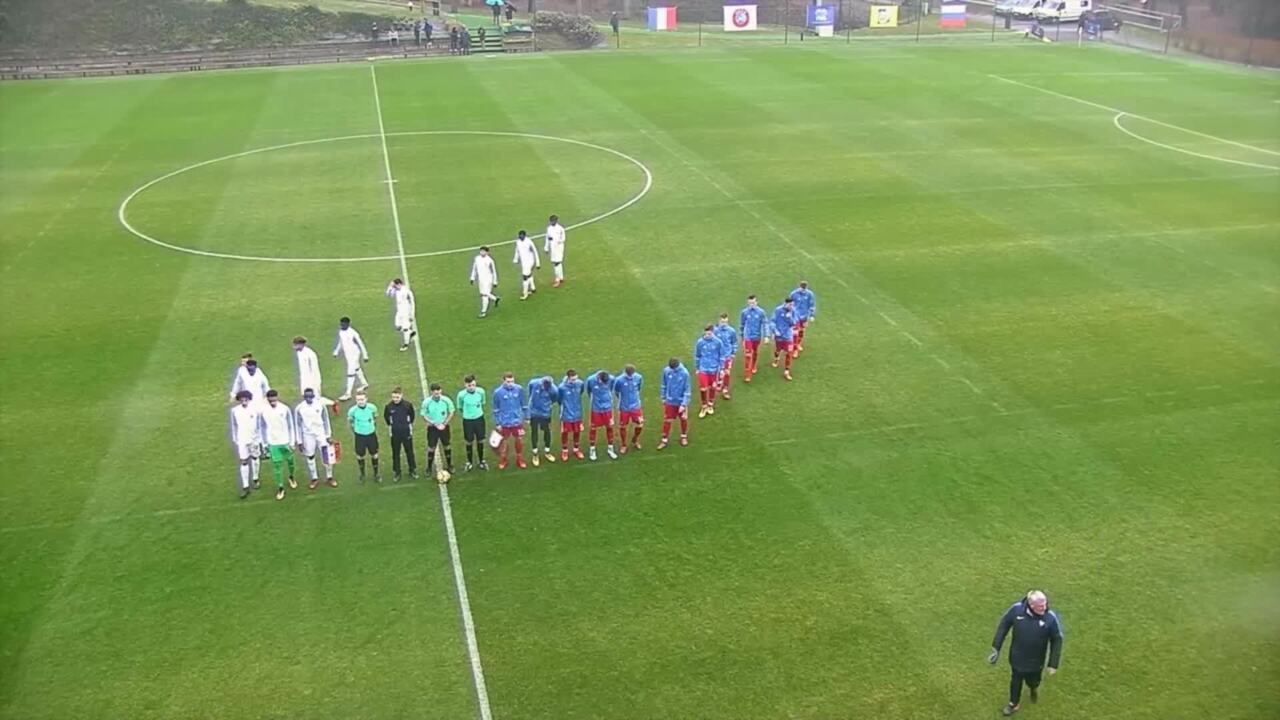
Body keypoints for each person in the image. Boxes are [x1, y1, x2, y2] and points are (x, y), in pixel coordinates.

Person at [989, 590, 1064, 716]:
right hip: (1017, 657)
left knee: (1033, 681)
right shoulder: (1016, 610)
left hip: (1036, 661)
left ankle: (1033, 688)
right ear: (1031, 605)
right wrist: (996, 647)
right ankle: (1013, 704)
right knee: (1015, 680)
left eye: (1045, 604)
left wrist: (1053, 663)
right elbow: (1004, 625)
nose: (1044, 608)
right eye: (1041, 606)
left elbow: (1057, 639)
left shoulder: (1050, 618)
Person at [259, 389, 297, 501]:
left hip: (285, 441)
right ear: (267, 400)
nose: (272, 402)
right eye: (270, 400)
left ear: (277, 397)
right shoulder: (263, 411)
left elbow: (291, 425)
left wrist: (292, 441)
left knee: (290, 461)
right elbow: (262, 427)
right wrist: (264, 443)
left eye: (274, 399)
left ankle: (291, 477)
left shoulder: (285, 409)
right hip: (273, 443)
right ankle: (280, 487)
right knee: (277, 465)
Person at [295, 388, 336, 489]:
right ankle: (314, 478)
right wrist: (299, 441)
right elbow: (297, 425)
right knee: (310, 456)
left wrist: (328, 435)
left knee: (326, 456)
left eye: (310, 396)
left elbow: (326, 420)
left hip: (321, 434)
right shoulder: (299, 408)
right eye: (306, 397)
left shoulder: (320, 405)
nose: (309, 398)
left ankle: (329, 477)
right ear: (304, 397)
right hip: (307, 435)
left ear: (313, 396)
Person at [229, 390, 262, 499]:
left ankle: (255, 478)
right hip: (242, 440)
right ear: (239, 400)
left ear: (249, 399)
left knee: (255, 457)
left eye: (246, 399)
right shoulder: (235, 411)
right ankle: (245, 486)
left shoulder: (255, 410)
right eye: (242, 399)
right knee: (243, 461)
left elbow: (259, 425)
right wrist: (235, 439)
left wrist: (259, 439)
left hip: (254, 439)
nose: (244, 401)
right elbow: (234, 426)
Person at [492, 373, 527, 470]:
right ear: (503, 381)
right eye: (508, 382)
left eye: (512, 381)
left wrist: (526, 417)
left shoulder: (519, 389)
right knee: (504, 441)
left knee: (519, 439)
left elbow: (523, 404)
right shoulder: (498, 392)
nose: (510, 384)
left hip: (517, 421)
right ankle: (503, 459)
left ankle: (520, 458)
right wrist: (498, 423)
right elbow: (495, 409)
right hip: (504, 422)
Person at [421, 383, 455, 479]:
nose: (437, 392)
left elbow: (452, 411)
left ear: (441, 390)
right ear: (432, 392)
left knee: (447, 446)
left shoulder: (446, 400)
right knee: (431, 447)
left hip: (444, 427)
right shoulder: (426, 402)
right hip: (433, 428)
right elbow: (423, 415)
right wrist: (433, 423)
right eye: (435, 391)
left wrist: (444, 423)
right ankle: (429, 468)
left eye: (438, 390)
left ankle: (450, 465)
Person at [384, 386, 417, 481]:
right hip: (395, 434)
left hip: (406, 432)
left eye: (397, 397)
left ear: (401, 396)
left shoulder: (407, 405)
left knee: (409, 452)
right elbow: (387, 419)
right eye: (393, 397)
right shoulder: (389, 407)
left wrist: (408, 426)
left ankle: (412, 470)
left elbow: (412, 416)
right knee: (396, 453)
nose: (395, 399)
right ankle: (397, 472)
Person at [333, 316, 370, 401]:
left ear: (348, 324)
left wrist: (365, 355)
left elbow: (360, 343)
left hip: (354, 353)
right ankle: (364, 383)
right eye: (341, 324)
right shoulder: (341, 332)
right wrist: (336, 351)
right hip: (347, 354)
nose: (342, 326)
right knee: (356, 368)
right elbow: (341, 342)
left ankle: (348, 393)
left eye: (344, 324)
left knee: (350, 372)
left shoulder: (353, 333)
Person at [694, 324, 727, 418]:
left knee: (713, 387)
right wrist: (697, 368)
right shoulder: (700, 342)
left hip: (714, 369)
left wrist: (721, 368)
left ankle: (710, 404)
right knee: (703, 388)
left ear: (713, 332)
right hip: (703, 368)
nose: (708, 335)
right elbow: (697, 356)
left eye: (710, 333)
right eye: (706, 333)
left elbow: (721, 356)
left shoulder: (718, 342)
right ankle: (704, 406)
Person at [657, 357, 691, 450]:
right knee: (667, 420)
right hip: (670, 401)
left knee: (683, 419)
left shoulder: (684, 373)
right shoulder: (666, 371)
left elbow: (687, 390)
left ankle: (683, 436)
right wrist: (663, 397)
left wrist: (683, 404)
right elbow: (663, 385)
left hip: (680, 402)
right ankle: (664, 440)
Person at [456, 375, 488, 471]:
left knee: (480, 440)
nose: (471, 387)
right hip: (468, 421)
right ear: (465, 385)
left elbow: (483, 402)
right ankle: (469, 462)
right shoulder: (461, 395)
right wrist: (468, 414)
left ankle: (481, 461)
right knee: (469, 441)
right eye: (469, 385)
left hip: (479, 419)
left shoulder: (481, 391)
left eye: (473, 385)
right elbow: (460, 407)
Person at [347, 391, 381, 483]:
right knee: (360, 456)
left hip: (371, 435)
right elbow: (351, 422)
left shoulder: (372, 408)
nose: (360, 401)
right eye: (358, 400)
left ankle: (376, 474)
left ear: (366, 399)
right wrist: (356, 431)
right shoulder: (352, 411)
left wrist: (371, 427)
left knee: (374, 454)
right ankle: (362, 474)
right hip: (359, 436)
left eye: (362, 399)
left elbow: (375, 418)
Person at [526, 375, 559, 467]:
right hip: (534, 413)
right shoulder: (533, 383)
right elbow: (530, 392)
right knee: (534, 432)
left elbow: (554, 399)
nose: (544, 388)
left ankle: (547, 451)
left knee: (547, 431)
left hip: (545, 414)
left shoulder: (554, 390)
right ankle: (535, 454)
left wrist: (546, 406)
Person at [586, 370, 618, 461]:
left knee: (609, 427)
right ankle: (592, 450)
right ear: (598, 378)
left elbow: (611, 389)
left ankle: (610, 449)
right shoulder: (591, 380)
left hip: (607, 408)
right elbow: (589, 391)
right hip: (596, 408)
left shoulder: (611, 379)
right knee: (593, 428)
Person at [613, 364, 644, 454]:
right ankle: (623, 445)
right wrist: (622, 400)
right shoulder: (619, 380)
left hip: (635, 406)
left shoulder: (638, 377)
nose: (630, 376)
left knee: (640, 424)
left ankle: (635, 439)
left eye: (632, 375)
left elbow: (639, 387)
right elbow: (616, 391)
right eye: (628, 375)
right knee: (623, 426)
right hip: (624, 407)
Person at [557, 369, 586, 461]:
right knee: (565, 432)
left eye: (575, 379)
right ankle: (564, 450)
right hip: (566, 414)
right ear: (568, 378)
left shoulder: (580, 384)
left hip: (577, 413)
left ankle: (576, 449)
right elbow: (559, 399)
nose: (574, 381)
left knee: (577, 431)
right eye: (572, 380)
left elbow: (581, 392)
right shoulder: (562, 387)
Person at [739, 294, 768, 383]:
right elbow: (742, 324)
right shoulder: (744, 312)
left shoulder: (761, 312)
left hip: (757, 336)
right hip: (748, 336)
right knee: (748, 355)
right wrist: (742, 336)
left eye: (753, 302)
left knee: (755, 352)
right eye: (750, 303)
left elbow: (765, 324)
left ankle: (754, 365)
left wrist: (767, 336)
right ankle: (747, 374)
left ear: (756, 302)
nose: (752, 304)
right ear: (748, 303)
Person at [385, 278, 417, 352]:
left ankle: (406, 344)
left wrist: (412, 313)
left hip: (406, 312)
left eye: (396, 286)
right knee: (397, 326)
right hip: (399, 312)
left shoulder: (406, 291)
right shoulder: (396, 290)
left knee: (405, 328)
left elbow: (412, 302)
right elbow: (388, 294)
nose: (395, 287)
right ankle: (410, 333)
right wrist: (390, 286)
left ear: (400, 284)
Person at [713, 313, 739, 400]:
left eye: (725, 322)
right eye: (722, 322)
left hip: (727, 356)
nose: (724, 324)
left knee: (727, 372)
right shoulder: (715, 331)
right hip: (717, 356)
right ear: (719, 321)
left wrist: (733, 353)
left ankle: (725, 389)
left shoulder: (731, 331)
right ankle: (718, 384)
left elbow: (734, 342)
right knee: (719, 371)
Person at [470, 246, 501, 318]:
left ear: (487, 252)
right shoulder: (477, 259)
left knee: (485, 294)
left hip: (488, 279)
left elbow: (494, 271)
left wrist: (495, 281)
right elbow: (474, 268)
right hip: (481, 279)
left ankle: (483, 312)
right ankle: (495, 298)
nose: (482, 252)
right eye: (481, 251)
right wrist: (472, 277)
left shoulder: (490, 260)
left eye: (484, 251)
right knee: (482, 294)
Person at [770, 297, 797, 381]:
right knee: (778, 350)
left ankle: (786, 371)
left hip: (788, 336)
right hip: (779, 336)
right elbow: (772, 321)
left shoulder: (793, 311)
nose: (791, 306)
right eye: (790, 305)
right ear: (785, 303)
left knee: (789, 353)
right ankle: (776, 359)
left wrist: (790, 318)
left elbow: (794, 323)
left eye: (792, 305)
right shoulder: (778, 310)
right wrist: (775, 330)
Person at [512, 230, 541, 300]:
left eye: (522, 236)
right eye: (519, 236)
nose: (520, 237)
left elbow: (535, 251)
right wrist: (515, 259)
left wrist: (537, 263)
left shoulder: (529, 242)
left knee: (525, 277)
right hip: (523, 262)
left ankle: (525, 294)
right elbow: (517, 250)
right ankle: (533, 288)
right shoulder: (518, 242)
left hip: (530, 261)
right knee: (529, 274)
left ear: (525, 235)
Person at [790, 280, 816, 356]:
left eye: (804, 289)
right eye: (802, 288)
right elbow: (789, 304)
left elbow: (812, 305)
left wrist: (812, 315)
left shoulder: (809, 294)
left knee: (802, 331)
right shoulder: (794, 294)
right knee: (795, 333)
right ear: (799, 286)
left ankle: (798, 344)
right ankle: (795, 350)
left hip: (804, 316)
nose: (803, 290)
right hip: (795, 317)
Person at [544, 214, 567, 287]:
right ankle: (561, 277)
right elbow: (547, 238)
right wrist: (546, 247)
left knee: (556, 263)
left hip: (559, 248)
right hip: (552, 248)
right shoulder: (549, 229)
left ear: (556, 221)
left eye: (553, 221)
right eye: (551, 221)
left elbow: (563, 239)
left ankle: (557, 280)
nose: (552, 222)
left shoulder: (560, 229)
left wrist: (557, 241)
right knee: (557, 263)